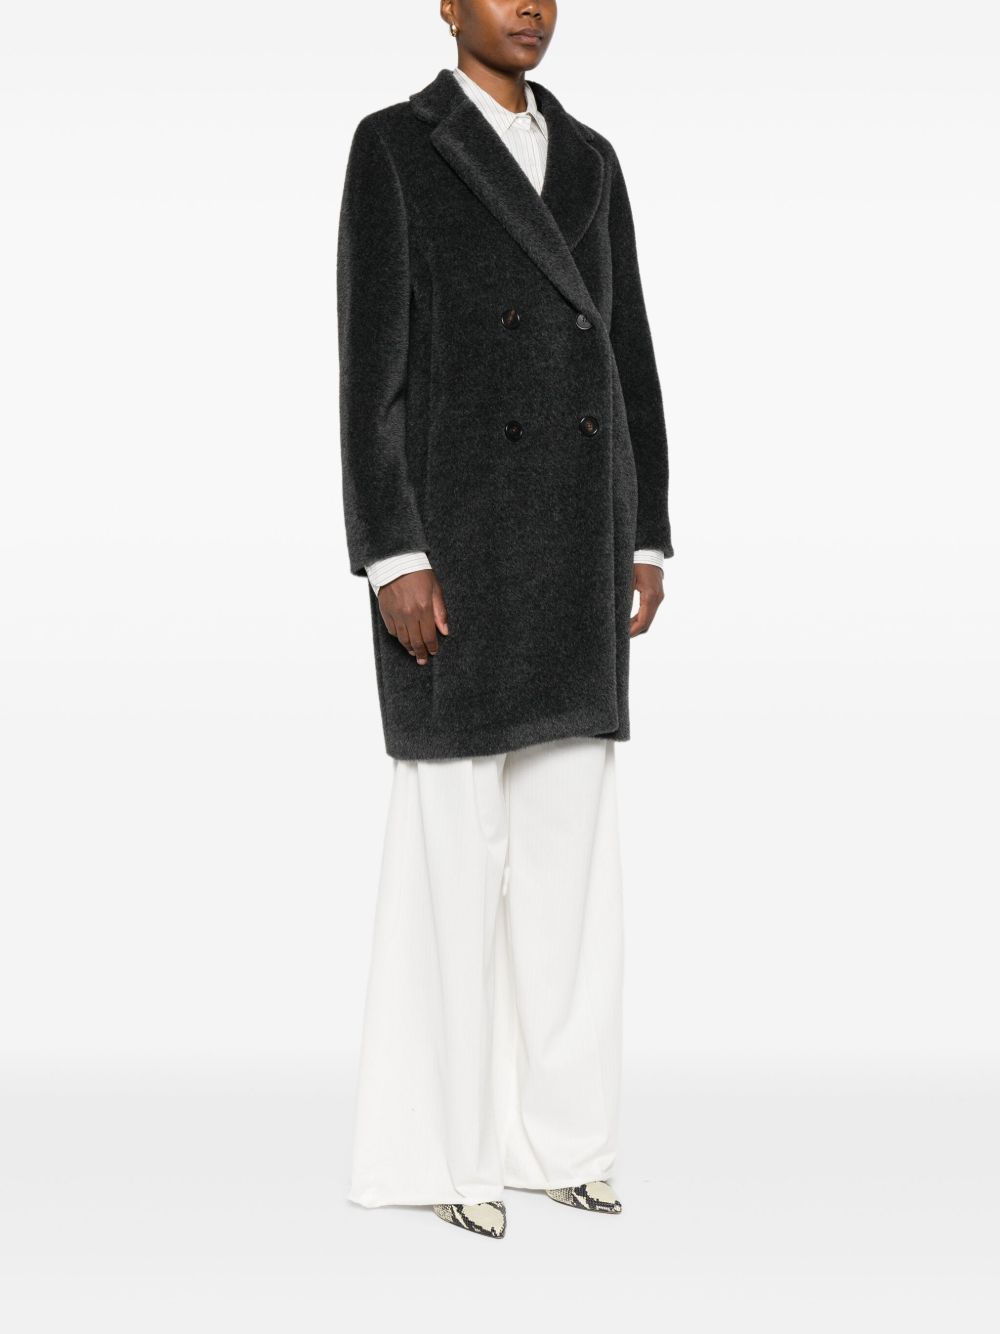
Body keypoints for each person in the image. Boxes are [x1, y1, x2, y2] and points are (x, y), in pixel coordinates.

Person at [337, 0, 672, 1239]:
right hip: (458, 551)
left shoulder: (590, 157)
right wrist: (392, 551)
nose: (529, 5)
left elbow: (627, 350)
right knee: (451, 857)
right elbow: (368, 369)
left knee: (571, 867)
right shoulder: (396, 145)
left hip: (577, 541)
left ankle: (563, 1141)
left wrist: (644, 531)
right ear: (446, 4)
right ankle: (438, 1151)